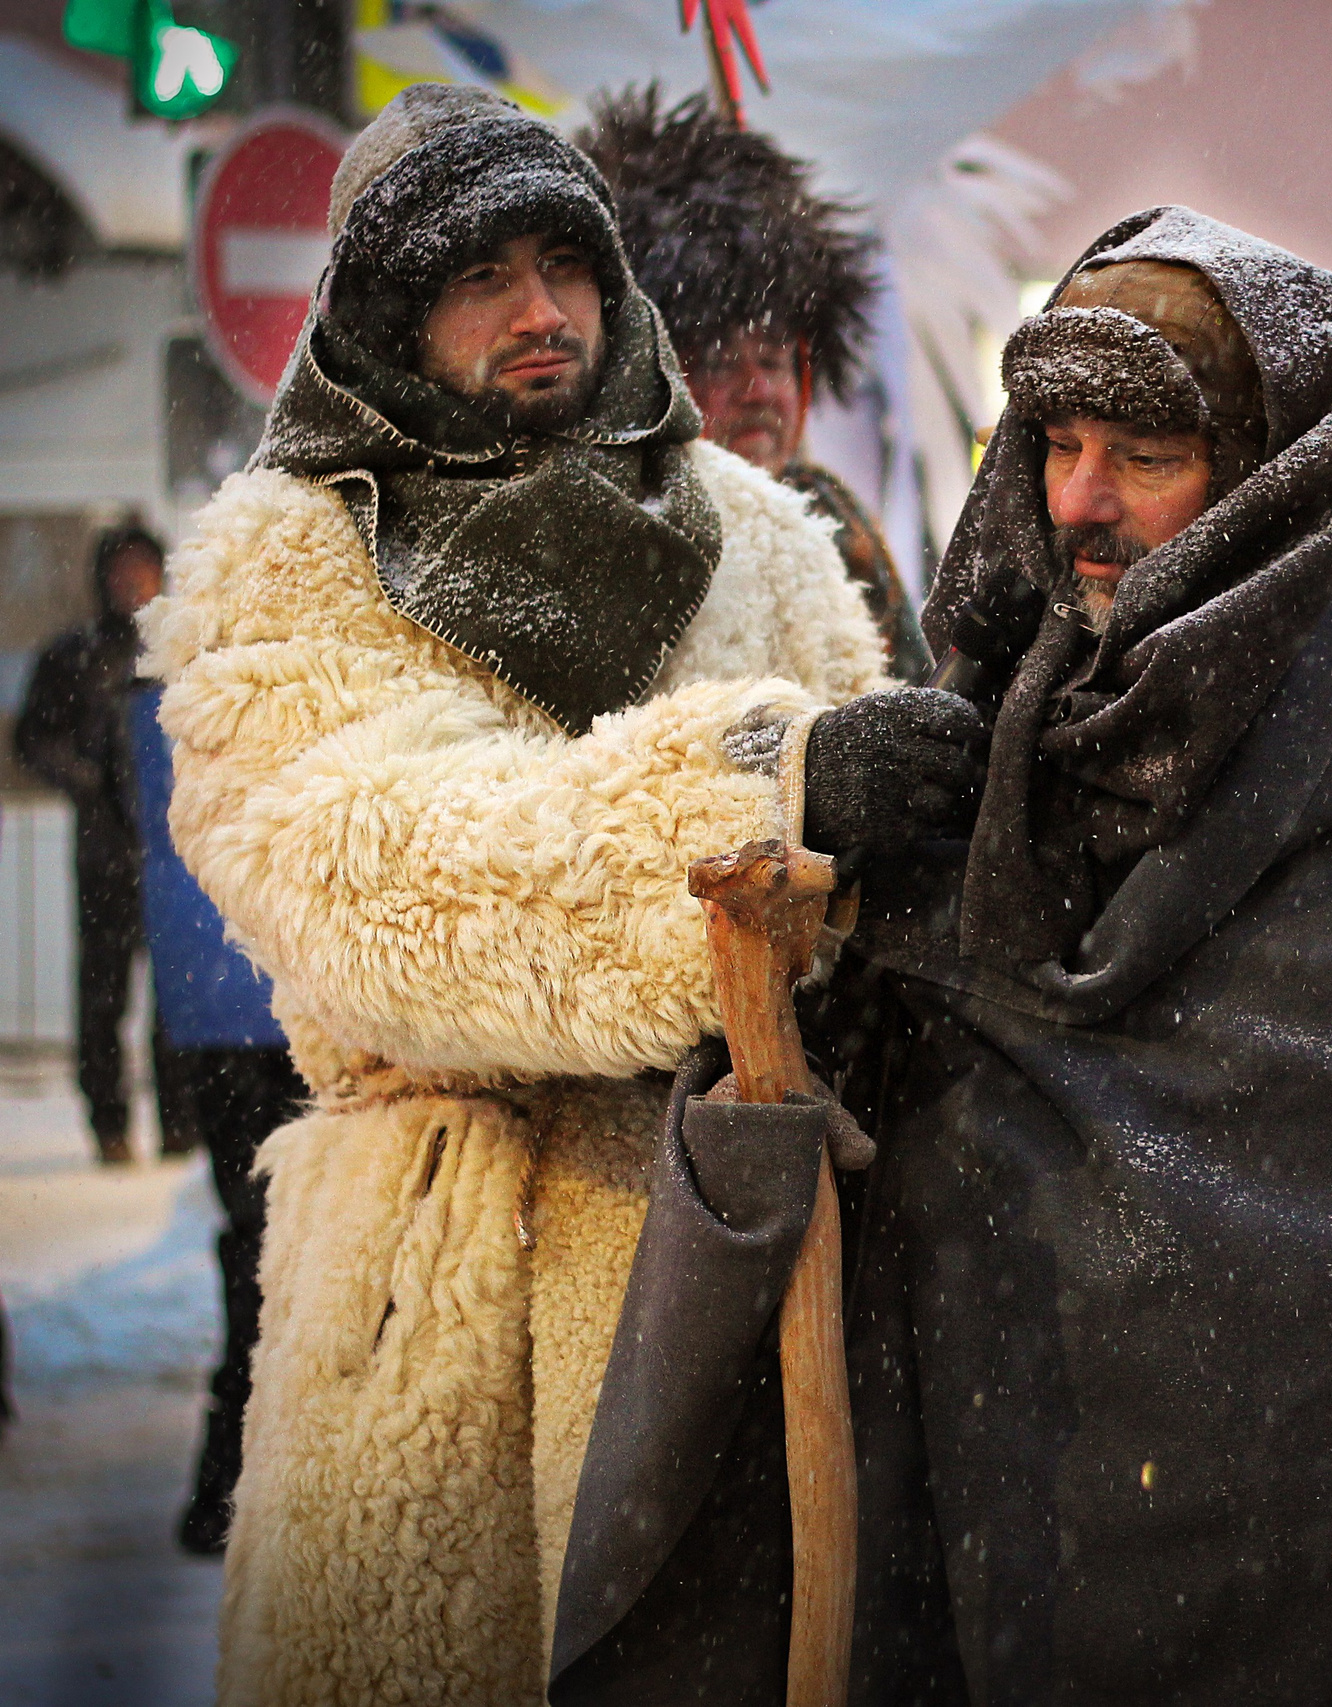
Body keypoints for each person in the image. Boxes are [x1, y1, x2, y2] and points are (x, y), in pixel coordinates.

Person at [553, 206, 1332, 1705]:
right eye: (1057, 441)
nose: (1079, 499)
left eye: (1144, 456)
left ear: (1276, 476)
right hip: (1012, 1500)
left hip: (1325, 1527)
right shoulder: (1012, 706)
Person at [141, 83, 921, 1704]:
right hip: (451, 1301)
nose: (542, 312)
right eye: (481, 275)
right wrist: (766, 796)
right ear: (383, 309)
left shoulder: (758, 532)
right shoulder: (289, 557)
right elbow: (378, 876)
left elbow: (896, 886)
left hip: (750, 1248)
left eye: (566, 263)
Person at [579, 86, 934, 683]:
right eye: (719, 363)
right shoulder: (621, 523)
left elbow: (914, 693)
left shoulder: (831, 515)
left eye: (771, 360)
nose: (756, 391)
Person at [124, 681, 303, 1555]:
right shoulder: (279, 701)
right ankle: (246, 1486)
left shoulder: (163, 711)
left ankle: (223, 1488)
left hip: (216, 1018)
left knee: (250, 1237)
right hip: (283, 1008)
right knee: (281, 1244)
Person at [14, 523, 164, 1165]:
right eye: (121, 568)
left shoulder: (179, 650)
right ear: (102, 577)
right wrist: (86, 779)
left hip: (174, 861)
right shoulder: (71, 655)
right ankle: (109, 1126)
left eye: (143, 567)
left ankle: (184, 1128)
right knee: (102, 995)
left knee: (178, 998)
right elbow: (30, 739)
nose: (132, 580)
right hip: (103, 857)